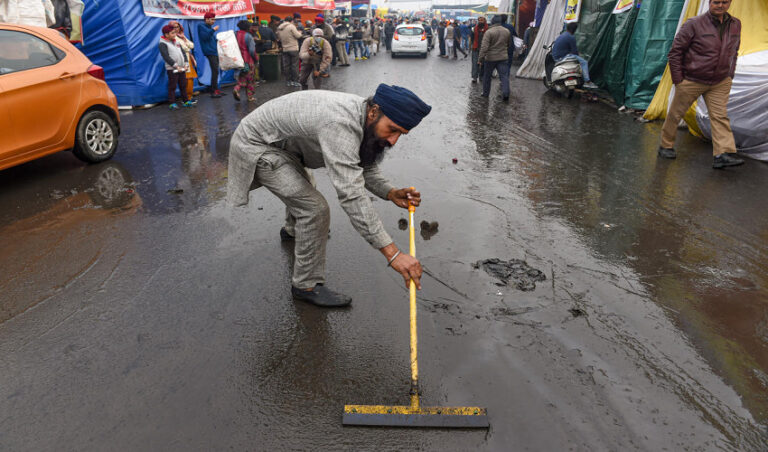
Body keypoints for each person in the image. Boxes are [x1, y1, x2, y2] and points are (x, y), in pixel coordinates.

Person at [226, 84, 432, 307]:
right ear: (374, 112)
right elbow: (351, 194)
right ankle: (306, 285)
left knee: (303, 190)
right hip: (257, 145)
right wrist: (393, 254)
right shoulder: (340, 124)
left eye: (401, 134)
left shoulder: (364, 116)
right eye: (392, 130)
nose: (393, 141)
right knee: (314, 210)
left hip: (285, 147)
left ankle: (293, 231)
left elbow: (361, 163)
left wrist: (389, 192)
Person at [659, 0, 742, 168]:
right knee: (676, 114)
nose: (720, 5)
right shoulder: (693, 24)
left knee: (720, 116)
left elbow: (734, 51)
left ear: (730, 2)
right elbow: (675, 52)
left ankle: (722, 154)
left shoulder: (735, 24)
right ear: (710, 2)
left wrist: (729, 75)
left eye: (724, 2)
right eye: (716, 2)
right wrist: (678, 80)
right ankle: (665, 146)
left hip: (720, 81)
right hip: (692, 79)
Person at [551, 22, 598, 89]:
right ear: (574, 30)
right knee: (584, 62)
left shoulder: (562, 35)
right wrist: (579, 55)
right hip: (563, 57)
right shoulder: (571, 37)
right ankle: (587, 81)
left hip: (556, 57)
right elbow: (574, 51)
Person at [159, 24, 194, 109]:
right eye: (172, 33)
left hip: (182, 68)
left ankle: (186, 101)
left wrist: (186, 64)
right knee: (172, 86)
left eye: (175, 33)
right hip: (172, 69)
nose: (174, 35)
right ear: (166, 34)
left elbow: (183, 53)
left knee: (183, 85)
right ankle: (172, 103)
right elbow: (166, 56)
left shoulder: (177, 42)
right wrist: (176, 66)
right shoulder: (162, 43)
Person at [478, 15, 511, 101]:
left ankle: (485, 93)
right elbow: (508, 44)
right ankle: (506, 93)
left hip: (490, 58)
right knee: (504, 76)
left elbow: (484, 47)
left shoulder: (489, 32)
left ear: (492, 22)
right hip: (503, 57)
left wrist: (480, 59)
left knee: (487, 76)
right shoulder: (506, 31)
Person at [197, 12, 223, 98]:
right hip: (210, 52)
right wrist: (213, 30)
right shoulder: (201, 26)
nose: (213, 21)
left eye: (214, 19)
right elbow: (204, 37)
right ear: (206, 19)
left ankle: (215, 88)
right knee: (215, 70)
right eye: (212, 19)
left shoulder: (208, 27)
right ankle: (213, 90)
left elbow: (210, 38)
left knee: (216, 71)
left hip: (214, 51)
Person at [169, 21, 197, 101]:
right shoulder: (172, 38)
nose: (176, 29)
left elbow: (192, 45)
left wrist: (184, 39)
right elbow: (184, 48)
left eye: (177, 27)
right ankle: (186, 98)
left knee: (189, 79)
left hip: (188, 59)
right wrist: (186, 46)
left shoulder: (181, 35)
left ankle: (189, 97)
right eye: (174, 27)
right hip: (180, 61)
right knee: (184, 80)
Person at [233, 20, 258, 102]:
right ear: (247, 27)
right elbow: (252, 50)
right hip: (247, 60)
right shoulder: (248, 36)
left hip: (237, 60)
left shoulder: (235, 34)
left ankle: (237, 88)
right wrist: (255, 59)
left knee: (242, 77)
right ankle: (250, 97)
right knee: (250, 79)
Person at [277, 16, 302, 87]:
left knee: (286, 66)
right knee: (294, 65)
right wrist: (300, 33)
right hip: (293, 48)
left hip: (285, 49)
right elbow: (298, 36)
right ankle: (295, 81)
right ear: (291, 21)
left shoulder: (279, 28)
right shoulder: (291, 26)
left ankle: (288, 81)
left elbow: (279, 38)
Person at [470, 16, 488, 83]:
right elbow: (472, 38)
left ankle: (482, 77)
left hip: (484, 49)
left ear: (484, 21)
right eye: (479, 20)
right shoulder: (474, 28)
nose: (480, 21)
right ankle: (474, 77)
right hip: (475, 48)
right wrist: (472, 46)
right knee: (475, 63)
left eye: (482, 20)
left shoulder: (488, 29)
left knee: (483, 64)